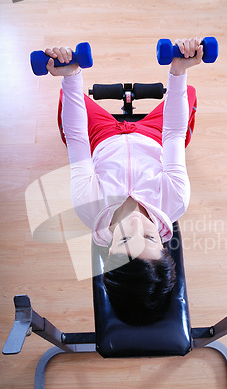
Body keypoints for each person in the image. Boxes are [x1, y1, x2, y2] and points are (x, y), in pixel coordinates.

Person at [46, 38, 203, 325]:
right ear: (164, 243)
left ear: (108, 252)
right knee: (187, 93)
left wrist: (71, 77)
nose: (136, 226)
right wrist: (178, 72)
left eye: (126, 240)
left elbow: (78, 139)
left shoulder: (86, 206)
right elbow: (173, 135)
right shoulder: (175, 199)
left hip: (102, 137)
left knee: (67, 97)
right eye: (148, 237)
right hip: (154, 136)